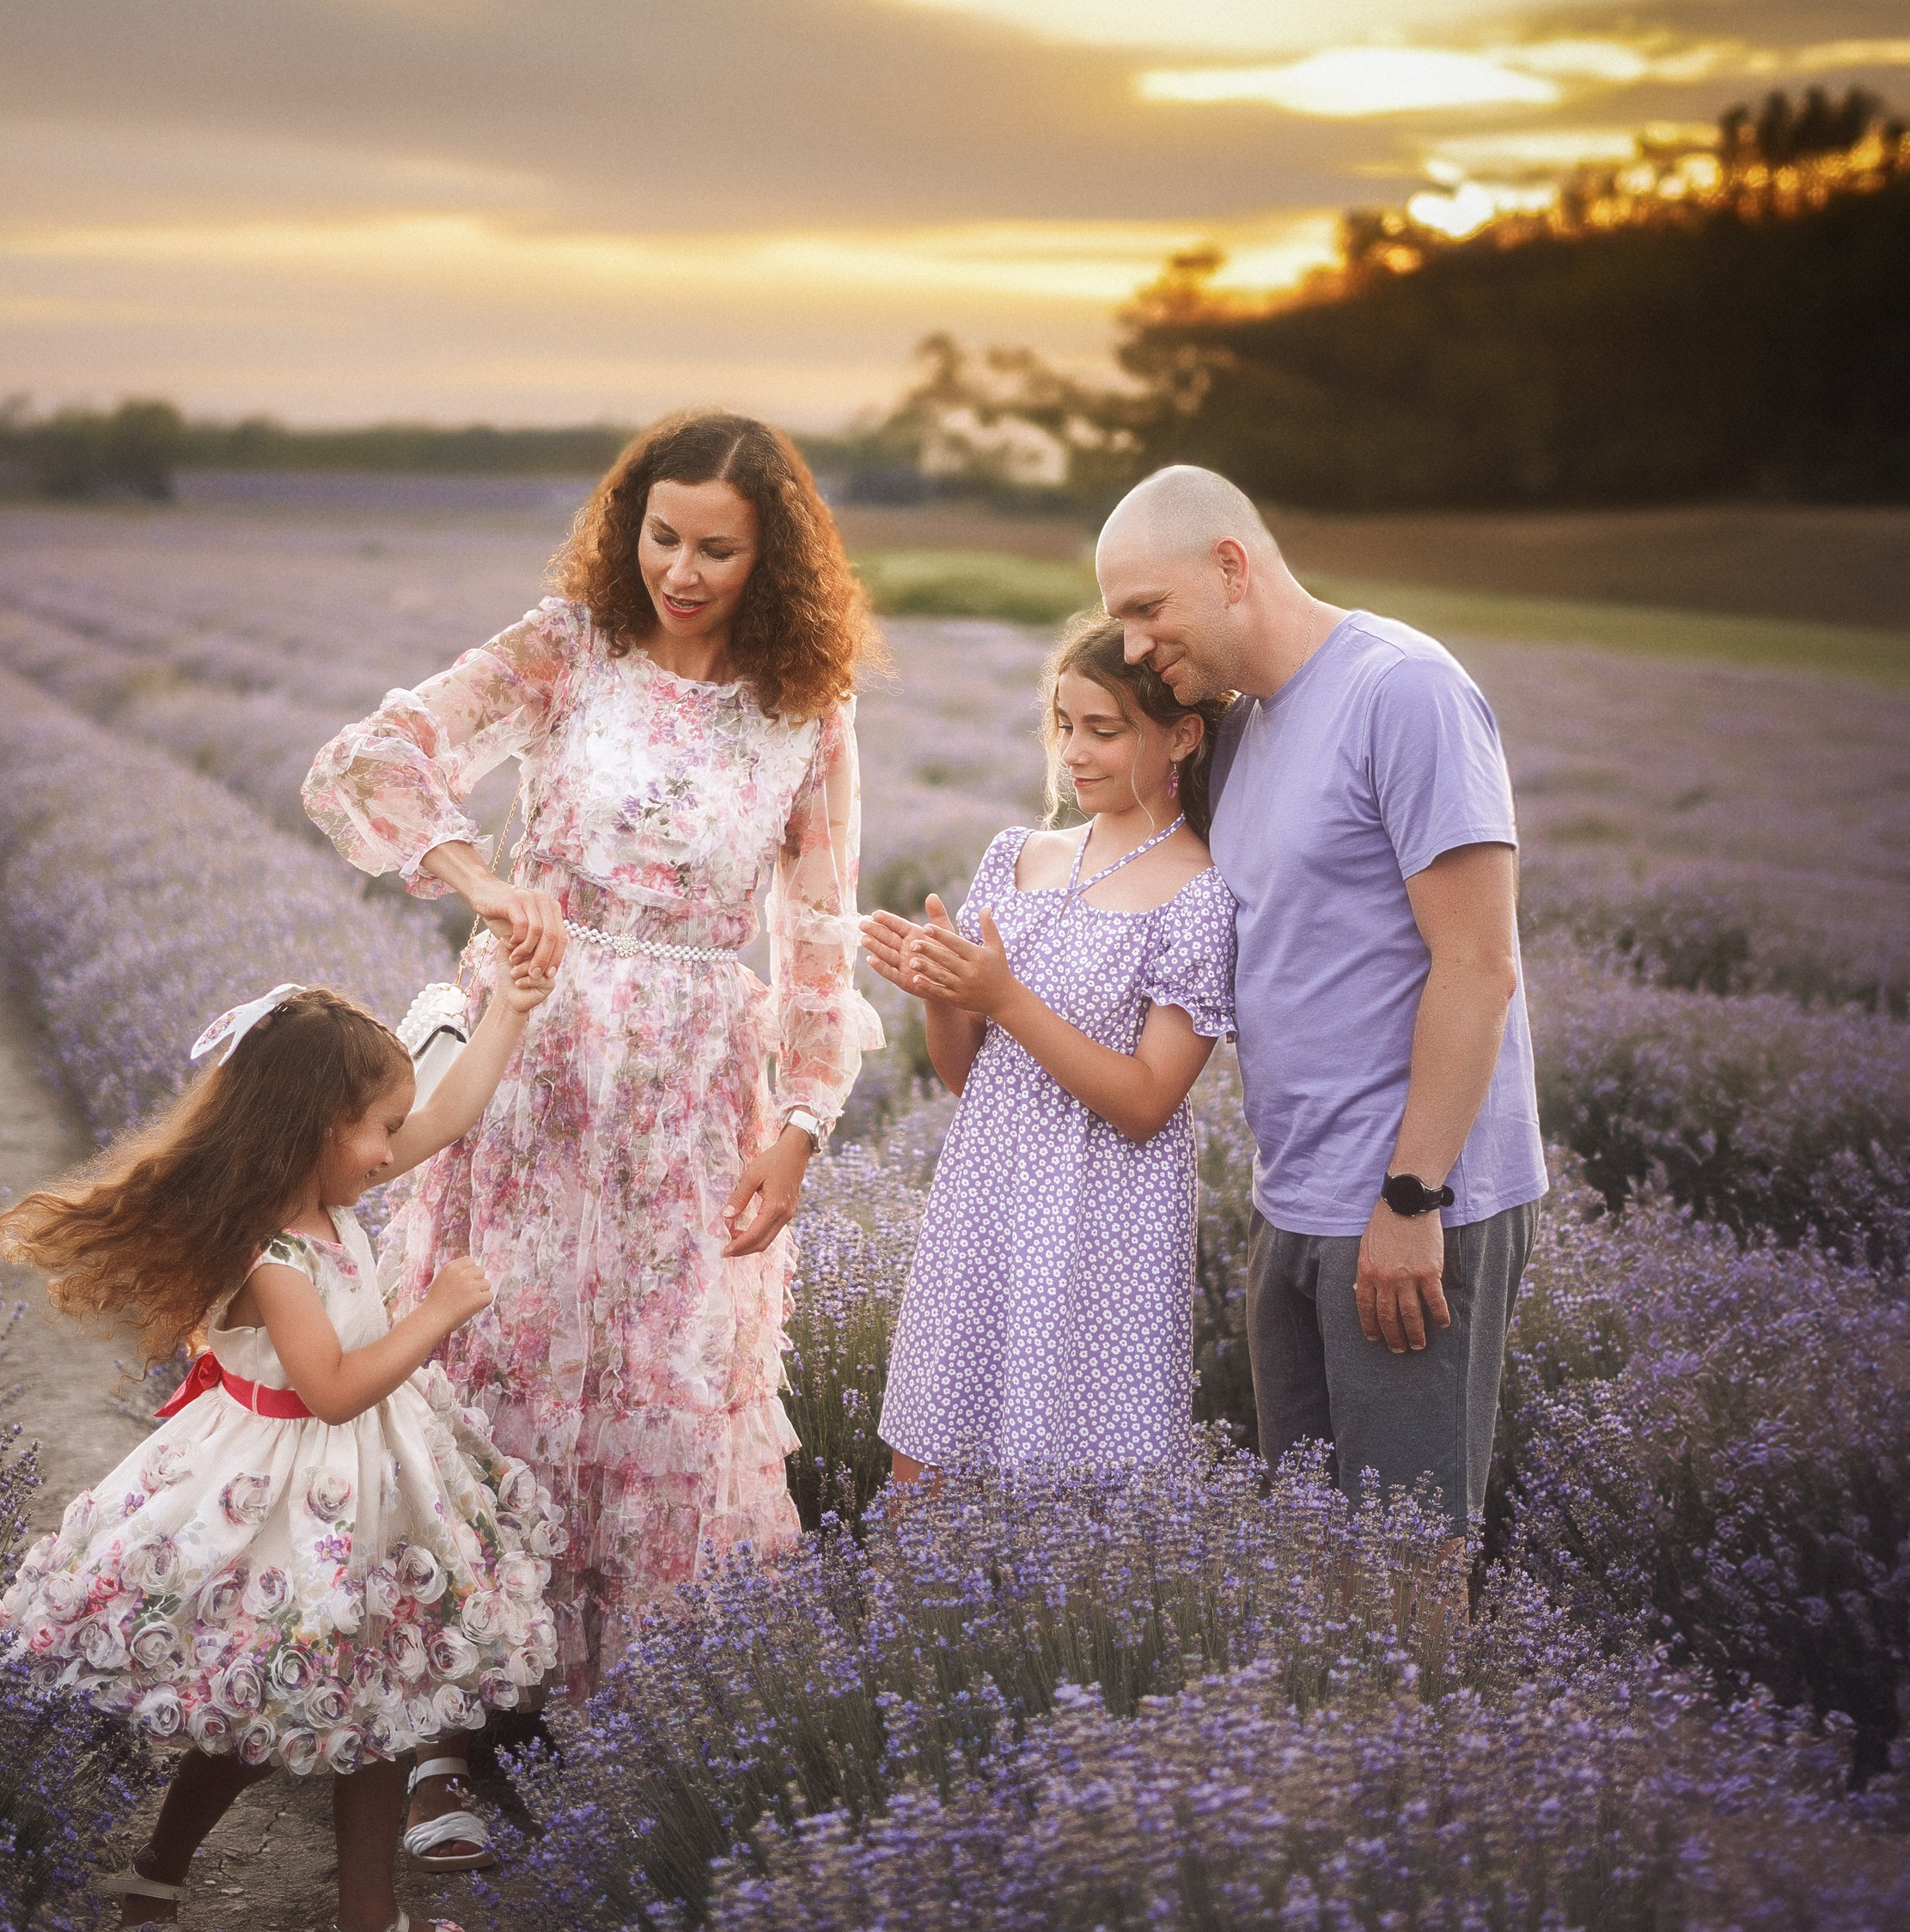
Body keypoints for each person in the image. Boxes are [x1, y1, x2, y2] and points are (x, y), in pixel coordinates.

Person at [303, 411, 884, 1722]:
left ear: (773, 559)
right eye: (662, 535)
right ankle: (447, 1731)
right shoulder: (567, 649)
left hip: (689, 1088)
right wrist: (483, 880)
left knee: (665, 1389)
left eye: (717, 550)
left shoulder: (807, 705)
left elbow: (821, 927)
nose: (680, 570)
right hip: (536, 1052)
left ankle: (629, 1734)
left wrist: (799, 1126)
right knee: (497, 1361)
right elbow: (364, 761)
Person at [0, 978, 563, 1932]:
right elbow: (332, 1391)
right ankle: (157, 1876)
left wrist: (512, 1008)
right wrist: (440, 1310)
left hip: (366, 1490)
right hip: (289, 1502)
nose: (394, 1150)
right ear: (315, 1131)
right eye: (378, 1130)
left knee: (387, 1706)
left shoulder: (329, 1199)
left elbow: (451, 1113)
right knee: (259, 1712)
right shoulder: (276, 1251)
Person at [1096, 464, 1547, 1529]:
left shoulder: (1404, 689)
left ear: (1231, 567)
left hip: (1405, 1201)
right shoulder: (1242, 726)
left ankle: (1432, 1703)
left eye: (1145, 611)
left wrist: (1410, 1198)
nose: (1132, 647)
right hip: (1293, 1197)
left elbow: (1479, 964)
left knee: (1405, 1557)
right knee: (1309, 1547)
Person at [865, 613, 1236, 1477]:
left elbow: (1147, 1103)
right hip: (985, 1193)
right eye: (1063, 726)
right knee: (926, 1464)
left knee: (1073, 1484)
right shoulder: (1017, 855)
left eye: (1103, 731)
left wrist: (1004, 996)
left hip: (1103, 1217)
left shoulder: (1202, 895)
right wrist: (940, 994)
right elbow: (968, 1076)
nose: (1073, 751)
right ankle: (912, 1614)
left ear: (1182, 735)